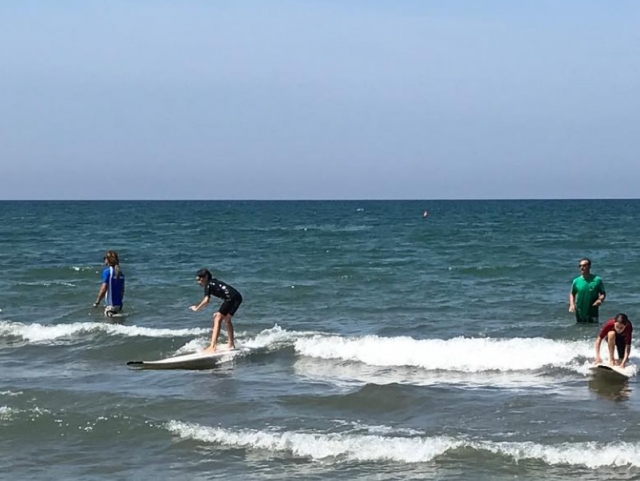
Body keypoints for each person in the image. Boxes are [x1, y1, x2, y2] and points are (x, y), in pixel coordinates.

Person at [190, 268, 242, 353]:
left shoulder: (208, 285)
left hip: (231, 298)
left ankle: (212, 347)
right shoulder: (213, 282)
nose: (199, 282)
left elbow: (206, 300)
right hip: (237, 297)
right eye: (197, 280)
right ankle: (231, 344)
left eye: (200, 279)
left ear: (206, 277)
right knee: (226, 319)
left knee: (217, 318)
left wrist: (197, 308)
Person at [568, 258, 606, 323]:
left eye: (584, 265)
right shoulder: (576, 281)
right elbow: (572, 293)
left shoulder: (597, 280)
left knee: (593, 329)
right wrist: (572, 305)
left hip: (593, 310)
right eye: (580, 266)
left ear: (589, 267)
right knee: (580, 329)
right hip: (580, 311)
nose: (582, 267)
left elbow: (603, 293)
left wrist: (600, 300)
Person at [93, 250, 125, 317]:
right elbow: (122, 291)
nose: (104, 260)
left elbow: (104, 289)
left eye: (105, 258)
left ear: (108, 260)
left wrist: (97, 302)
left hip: (111, 307)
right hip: (119, 305)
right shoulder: (120, 273)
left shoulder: (107, 272)